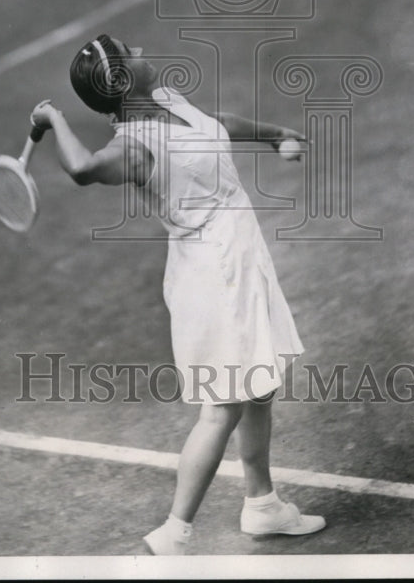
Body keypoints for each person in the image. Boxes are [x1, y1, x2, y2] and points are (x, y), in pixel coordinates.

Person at [30, 34, 326, 555]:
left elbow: (219, 126)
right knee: (223, 408)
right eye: (130, 50)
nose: (142, 47)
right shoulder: (133, 148)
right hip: (214, 277)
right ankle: (174, 533)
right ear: (121, 80)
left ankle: (262, 504)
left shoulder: (166, 101)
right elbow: (80, 169)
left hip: (240, 259)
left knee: (259, 387)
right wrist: (55, 120)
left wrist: (275, 134)